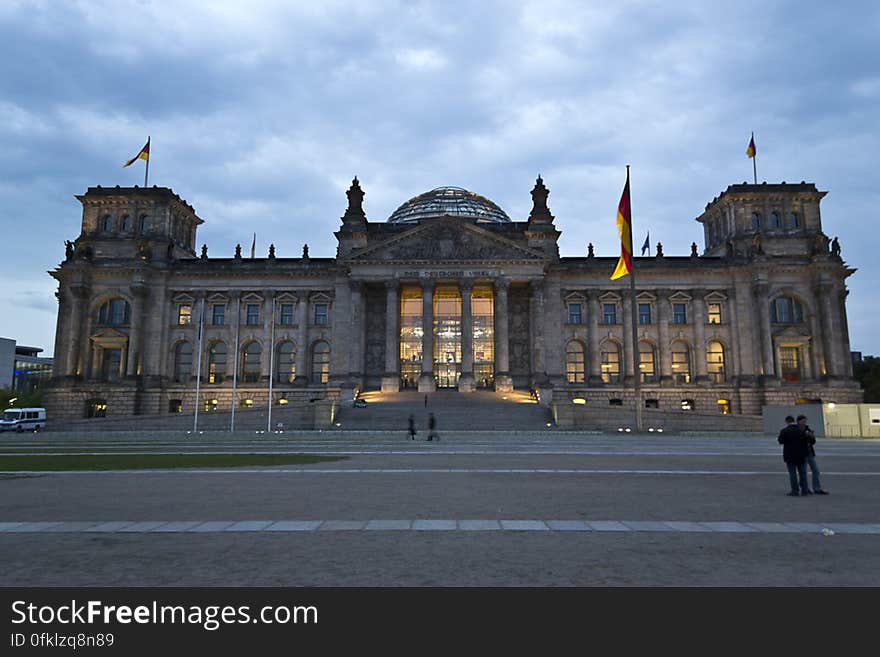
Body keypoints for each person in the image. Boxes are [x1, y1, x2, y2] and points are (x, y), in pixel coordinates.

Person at [778, 415, 809, 496]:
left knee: (793, 474)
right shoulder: (801, 430)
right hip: (801, 455)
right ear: (794, 421)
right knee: (803, 473)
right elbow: (806, 442)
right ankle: (805, 490)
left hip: (790, 455)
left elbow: (780, 441)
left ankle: (795, 491)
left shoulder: (784, 430)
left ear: (787, 422)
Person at [798, 414, 829, 494]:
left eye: (805, 421)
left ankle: (817, 488)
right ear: (798, 421)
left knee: (816, 471)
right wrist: (804, 435)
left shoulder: (808, 428)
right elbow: (797, 441)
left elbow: (813, 442)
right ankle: (805, 488)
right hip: (802, 454)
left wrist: (811, 436)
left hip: (810, 453)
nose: (804, 422)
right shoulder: (796, 430)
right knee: (803, 472)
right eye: (803, 421)